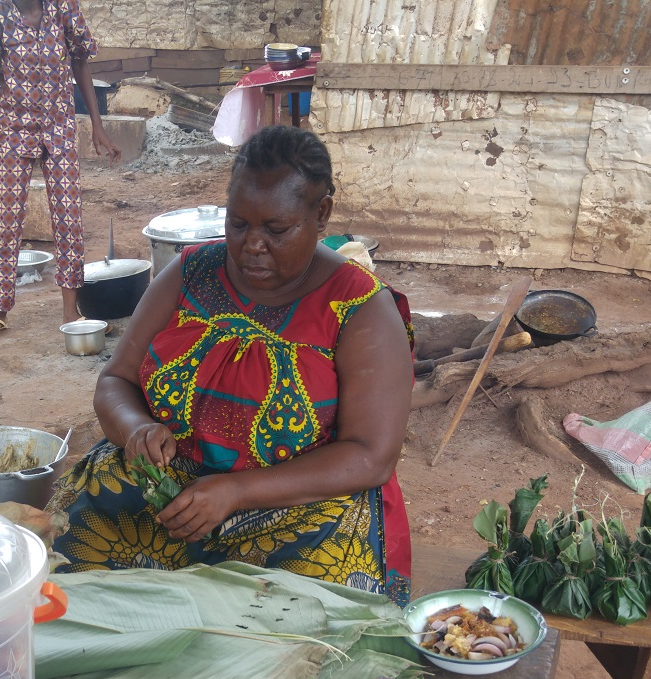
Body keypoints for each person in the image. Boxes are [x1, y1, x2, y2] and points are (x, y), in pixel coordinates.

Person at [47, 125, 417, 605]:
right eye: (238, 224)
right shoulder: (190, 273)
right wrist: (135, 427)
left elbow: (371, 456)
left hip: (296, 509)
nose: (251, 245)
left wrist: (235, 492)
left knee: (300, 624)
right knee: (57, 566)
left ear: (321, 213)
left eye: (276, 229)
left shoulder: (359, 307)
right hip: (164, 496)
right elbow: (116, 379)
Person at [0, 0, 121, 339]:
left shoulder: (64, 9)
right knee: (7, 221)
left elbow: (80, 65)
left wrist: (98, 125)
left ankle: (70, 311)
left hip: (60, 128)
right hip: (13, 131)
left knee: (68, 219)